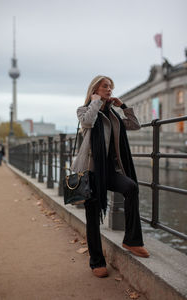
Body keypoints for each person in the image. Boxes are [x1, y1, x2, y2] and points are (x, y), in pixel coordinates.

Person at [71, 75, 149, 278]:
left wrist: (123, 106)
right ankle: (96, 261)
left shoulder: (113, 116)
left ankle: (131, 240)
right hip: (91, 172)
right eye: (105, 86)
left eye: (111, 87)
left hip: (110, 172)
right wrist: (96, 101)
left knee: (131, 187)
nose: (110, 90)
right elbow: (88, 122)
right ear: (95, 89)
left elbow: (134, 125)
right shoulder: (84, 110)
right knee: (92, 216)